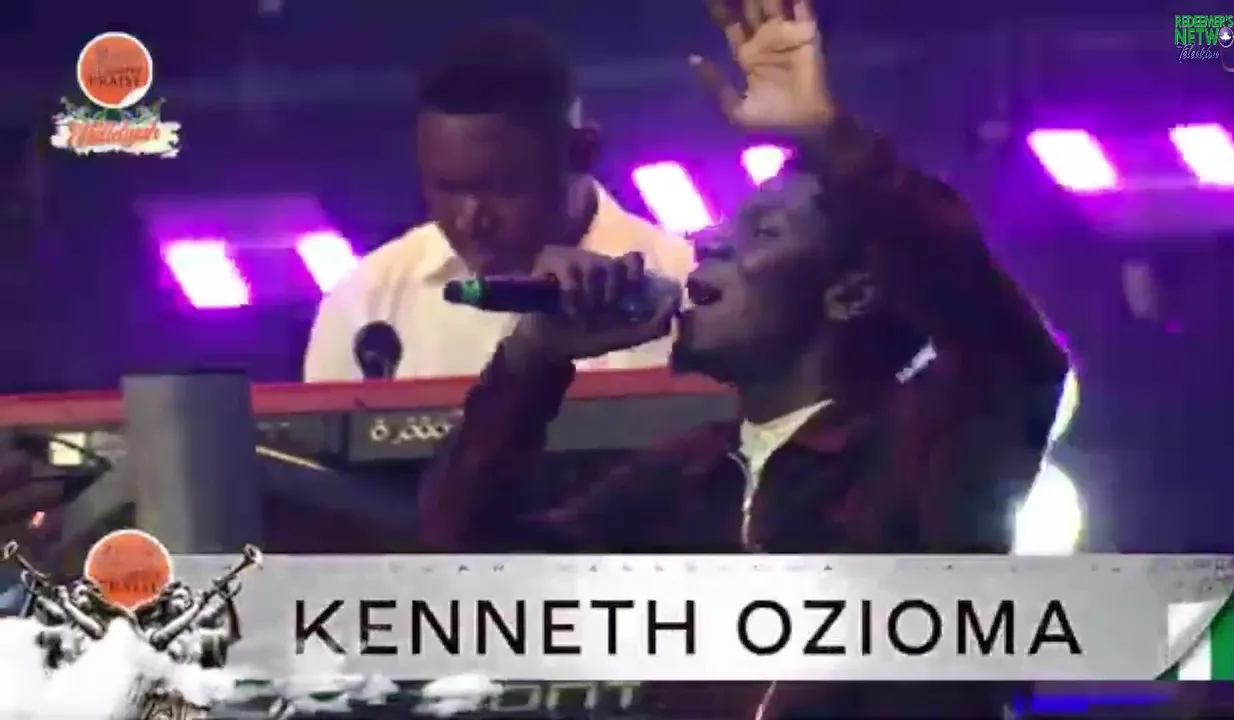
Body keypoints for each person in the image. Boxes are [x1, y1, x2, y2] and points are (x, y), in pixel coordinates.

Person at [419, 0, 1068, 717]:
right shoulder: (682, 479)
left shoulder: (929, 442)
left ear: (851, 292)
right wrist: (534, 358)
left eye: (762, 231)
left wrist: (828, 135)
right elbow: (473, 579)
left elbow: (999, 335)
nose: (709, 240)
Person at [303, 23, 695, 382]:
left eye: (502, 188)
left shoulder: (686, 290)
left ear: (582, 153)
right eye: (445, 188)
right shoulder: (367, 302)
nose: (469, 219)